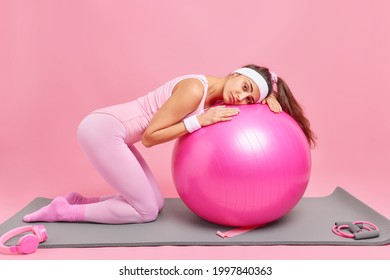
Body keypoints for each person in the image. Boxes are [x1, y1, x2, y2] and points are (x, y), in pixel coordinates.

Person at [23, 64, 316, 224]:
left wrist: (270, 97)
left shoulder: (217, 93)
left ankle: (78, 200)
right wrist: (200, 121)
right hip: (102, 131)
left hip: (114, 132)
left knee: (157, 203)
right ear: (237, 73)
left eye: (250, 98)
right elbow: (150, 137)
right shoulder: (194, 89)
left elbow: (257, 86)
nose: (241, 98)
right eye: (244, 87)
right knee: (145, 212)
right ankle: (63, 212)